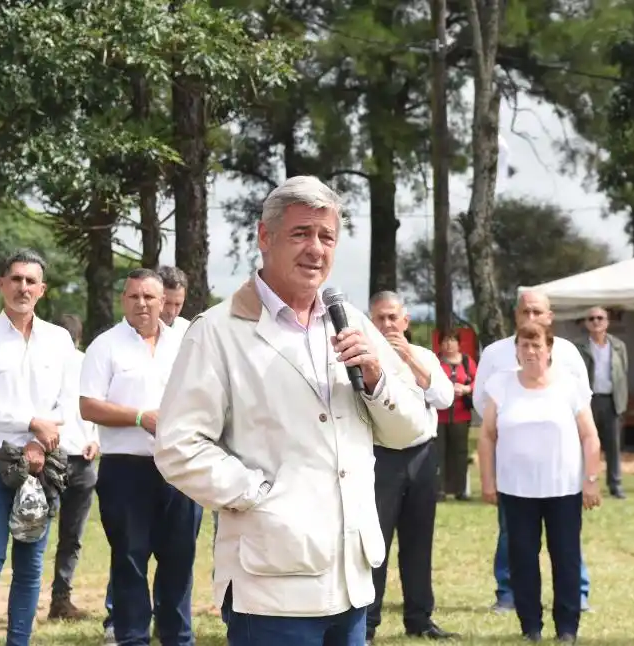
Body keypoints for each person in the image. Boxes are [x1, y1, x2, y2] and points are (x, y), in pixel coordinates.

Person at [153, 175, 436, 646]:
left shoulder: (353, 324)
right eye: (301, 233)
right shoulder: (217, 332)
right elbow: (177, 446)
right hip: (271, 586)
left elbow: (411, 431)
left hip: (351, 581)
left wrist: (375, 379)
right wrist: (259, 495)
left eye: (327, 236)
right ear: (265, 238)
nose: (316, 249)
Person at [0, 249, 76, 646]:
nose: (23, 287)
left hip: (42, 468)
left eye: (31, 281)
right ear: (1, 284)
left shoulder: (59, 340)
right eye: (16, 279)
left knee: (30, 568)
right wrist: (31, 424)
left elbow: (67, 403)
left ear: (42, 289)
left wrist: (39, 441)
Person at [80, 268, 200, 646]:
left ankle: (178, 638)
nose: (142, 304)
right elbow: (88, 406)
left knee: (179, 559)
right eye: (134, 296)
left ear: (164, 302)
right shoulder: (105, 346)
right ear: (123, 300)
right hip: (126, 470)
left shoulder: (185, 343)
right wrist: (138, 417)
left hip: (180, 466)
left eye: (149, 297)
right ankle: (132, 638)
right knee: (130, 560)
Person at [478, 321, 602, 643]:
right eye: (524, 345)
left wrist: (591, 480)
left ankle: (567, 627)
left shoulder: (569, 385)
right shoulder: (501, 384)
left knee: (566, 558)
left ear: (549, 349)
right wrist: (487, 480)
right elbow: (487, 435)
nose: (530, 352)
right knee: (522, 560)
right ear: (516, 349)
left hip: (563, 489)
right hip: (516, 490)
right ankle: (530, 626)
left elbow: (590, 436)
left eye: (537, 345)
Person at [365, 291, 457, 642]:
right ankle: (367, 623)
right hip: (380, 458)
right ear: (370, 322)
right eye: (380, 318)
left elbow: (445, 398)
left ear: (405, 321)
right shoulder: (363, 357)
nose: (387, 324)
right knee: (375, 544)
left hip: (421, 455)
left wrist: (409, 359)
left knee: (419, 541)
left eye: (393, 317)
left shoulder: (423, 356)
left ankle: (419, 619)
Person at [47, 313, 100, 621]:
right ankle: (61, 597)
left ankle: (56, 599)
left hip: (66, 456)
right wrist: (96, 440)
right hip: (74, 456)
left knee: (41, 533)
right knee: (70, 536)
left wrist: (96, 439)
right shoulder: (85, 364)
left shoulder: (80, 364)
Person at [575, 306, 629, 499]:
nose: (596, 321)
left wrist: (622, 401)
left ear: (607, 322)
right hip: (587, 402)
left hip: (611, 400)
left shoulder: (618, 346)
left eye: (600, 318)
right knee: (584, 443)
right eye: (591, 318)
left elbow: (623, 373)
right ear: (586, 323)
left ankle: (615, 485)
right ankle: (581, 483)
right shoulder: (579, 347)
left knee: (613, 445)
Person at [436, 331, 477, 500]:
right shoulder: (435, 361)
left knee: (460, 452)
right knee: (439, 452)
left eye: (452, 340)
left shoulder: (467, 362)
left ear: (459, 344)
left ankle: (461, 490)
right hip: (439, 415)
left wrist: (467, 388)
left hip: (461, 414)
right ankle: (439, 490)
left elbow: (478, 381)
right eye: (445, 341)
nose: (449, 344)